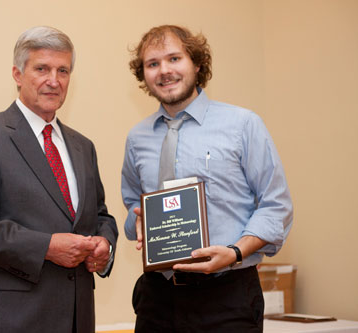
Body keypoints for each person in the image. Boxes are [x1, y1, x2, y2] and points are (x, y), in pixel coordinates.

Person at [122, 25, 293, 332]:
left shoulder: (243, 124)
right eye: (153, 64)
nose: (164, 71)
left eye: (174, 58)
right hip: (157, 297)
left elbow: (276, 206)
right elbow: (133, 203)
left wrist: (235, 252)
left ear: (197, 64)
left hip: (227, 295)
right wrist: (137, 223)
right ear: (144, 75)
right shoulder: (137, 138)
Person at [0, 26, 118, 333]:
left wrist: (105, 242)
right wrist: (46, 247)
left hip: (78, 318)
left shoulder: (83, 146)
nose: (54, 80)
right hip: (13, 319)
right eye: (42, 69)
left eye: (63, 70)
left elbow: (100, 214)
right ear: (17, 74)